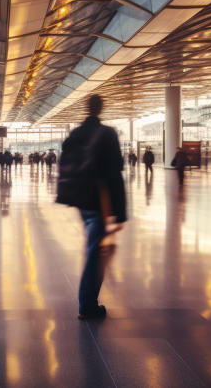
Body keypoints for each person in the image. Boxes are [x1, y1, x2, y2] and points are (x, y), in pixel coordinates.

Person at [55, 94, 126, 320]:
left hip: (80, 198)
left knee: (94, 247)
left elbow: (65, 162)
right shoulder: (107, 134)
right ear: (101, 108)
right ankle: (87, 305)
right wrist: (120, 212)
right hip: (100, 199)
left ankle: (88, 302)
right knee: (95, 252)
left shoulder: (75, 133)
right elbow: (115, 174)